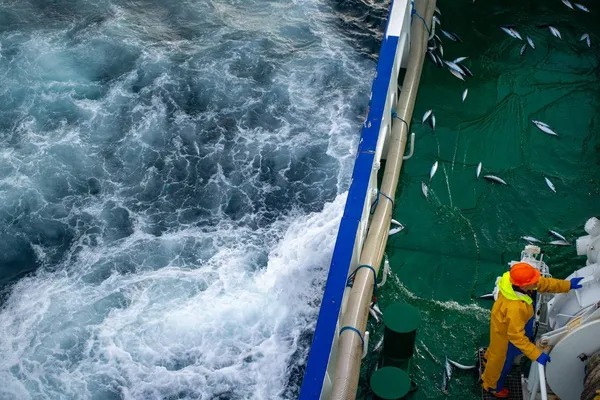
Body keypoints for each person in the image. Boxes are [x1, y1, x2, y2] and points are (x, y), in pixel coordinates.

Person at [481, 262, 585, 398]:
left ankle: (487, 358)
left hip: (507, 322)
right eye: (534, 280)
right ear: (524, 286)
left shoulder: (512, 280)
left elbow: (543, 283)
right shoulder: (514, 308)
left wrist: (568, 285)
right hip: (506, 334)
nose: (537, 282)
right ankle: (491, 386)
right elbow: (516, 336)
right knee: (500, 362)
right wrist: (536, 354)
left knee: (495, 351)